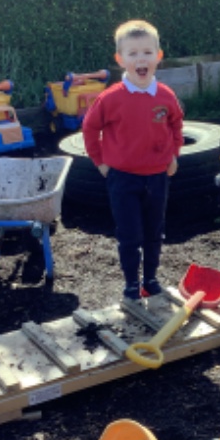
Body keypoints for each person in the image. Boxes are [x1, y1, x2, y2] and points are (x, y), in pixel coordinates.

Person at [82, 19, 184, 301]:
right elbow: (90, 128)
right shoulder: (110, 98)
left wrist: (174, 154)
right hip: (123, 178)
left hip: (158, 176)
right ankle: (131, 284)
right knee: (130, 235)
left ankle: (150, 279)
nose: (141, 59)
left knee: (154, 232)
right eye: (133, 53)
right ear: (120, 59)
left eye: (147, 52)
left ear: (158, 56)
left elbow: (176, 124)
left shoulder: (165, 95)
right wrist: (100, 162)